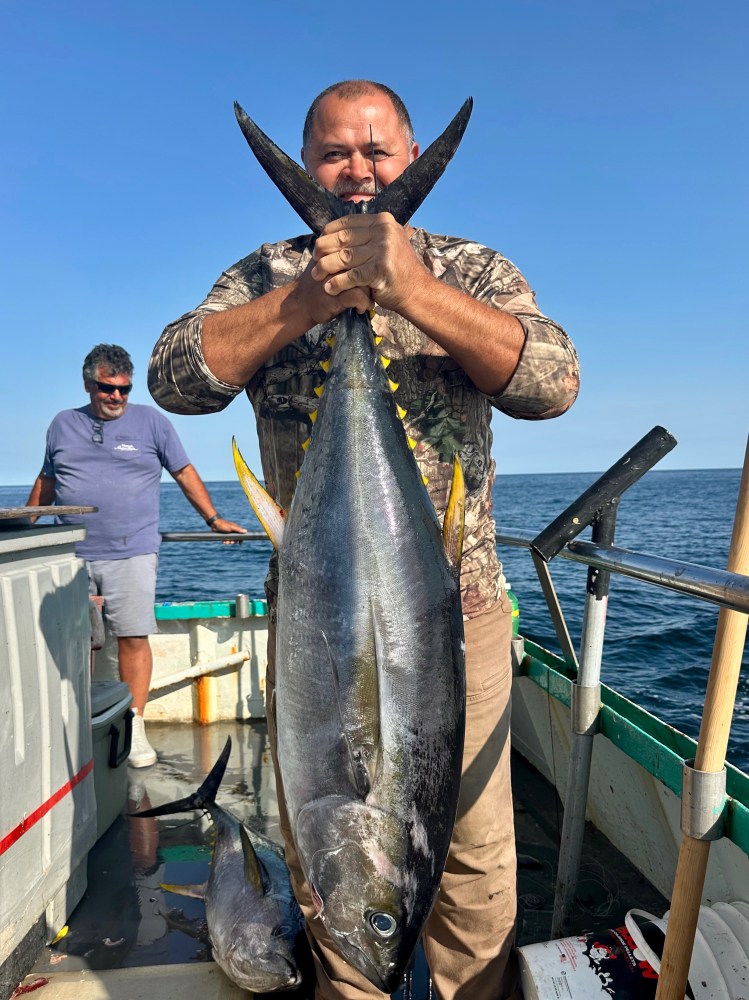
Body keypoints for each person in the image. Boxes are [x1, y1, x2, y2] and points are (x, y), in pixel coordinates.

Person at [148, 81, 580, 1000]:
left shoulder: (469, 266)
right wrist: (310, 296)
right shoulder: (260, 274)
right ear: (307, 166)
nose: (360, 173)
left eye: (379, 154)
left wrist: (409, 288)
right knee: (327, 839)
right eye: (337, 155)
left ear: (411, 153)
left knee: (472, 859)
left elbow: (550, 382)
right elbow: (176, 378)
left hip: (454, 618)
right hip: (314, 625)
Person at [27, 344, 246, 768]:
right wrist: (23, 528)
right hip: (72, 556)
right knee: (79, 642)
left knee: (132, 637)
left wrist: (214, 518)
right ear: (89, 384)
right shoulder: (62, 424)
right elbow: (47, 479)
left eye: (125, 390)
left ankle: (135, 724)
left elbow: (183, 471)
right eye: (108, 389)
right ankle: (78, 720)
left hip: (132, 554)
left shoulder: (152, 423)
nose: (118, 398)